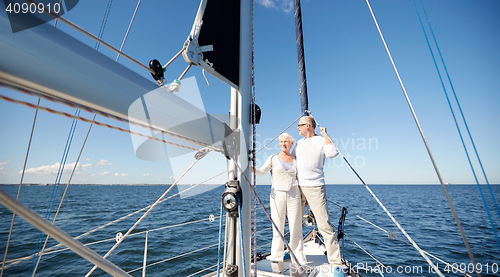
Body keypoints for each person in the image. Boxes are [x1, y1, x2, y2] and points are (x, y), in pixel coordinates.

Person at [292, 115, 344, 269]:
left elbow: (332, 153)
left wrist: (325, 135)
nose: (297, 128)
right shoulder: (298, 143)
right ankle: (294, 252)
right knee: (295, 224)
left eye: (300, 125)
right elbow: (292, 162)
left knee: (324, 226)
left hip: (315, 187)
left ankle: (335, 263)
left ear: (308, 126)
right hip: (297, 186)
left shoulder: (321, 141)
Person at [253, 133, 307, 266]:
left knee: (296, 227)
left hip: (294, 194)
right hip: (277, 195)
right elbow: (260, 172)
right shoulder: (273, 158)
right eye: (281, 141)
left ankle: (297, 255)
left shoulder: (296, 160)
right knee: (277, 226)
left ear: (291, 144)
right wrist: (249, 167)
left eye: (286, 142)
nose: (283, 144)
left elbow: (302, 179)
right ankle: (277, 256)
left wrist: (305, 197)